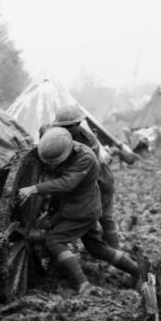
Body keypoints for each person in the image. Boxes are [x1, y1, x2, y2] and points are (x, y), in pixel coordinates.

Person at [18, 127, 139, 295]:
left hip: (82, 211)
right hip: (75, 208)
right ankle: (138, 271)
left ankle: (84, 285)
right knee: (97, 249)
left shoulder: (86, 157)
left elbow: (66, 183)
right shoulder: (60, 147)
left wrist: (35, 188)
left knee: (54, 241)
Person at [52, 104, 124, 248]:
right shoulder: (57, 134)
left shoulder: (89, 141)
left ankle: (115, 249)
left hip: (99, 180)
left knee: (104, 216)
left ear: (78, 124)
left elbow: (81, 168)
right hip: (80, 180)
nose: (66, 130)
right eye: (63, 127)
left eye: (70, 127)